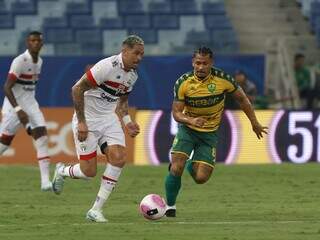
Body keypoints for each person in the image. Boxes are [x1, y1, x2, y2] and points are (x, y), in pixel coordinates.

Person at [164, 47, 268, 217]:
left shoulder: (223, 79)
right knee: (176, 167)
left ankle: (190, 163)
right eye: (198, 63)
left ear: (211, 63)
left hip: (209, 134)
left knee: (201, 178)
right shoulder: (183, 82)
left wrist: (254, 123)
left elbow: (242, 99)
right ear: (193, 63)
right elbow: (176, 113)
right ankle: (170, 207)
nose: (201, 67)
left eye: (205, 63)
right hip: (188, 130)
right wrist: (191, 120)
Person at [52, 35, 144, 223]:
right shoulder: (106, 66)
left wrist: (127, 122)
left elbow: (122, 102)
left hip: (109, 119)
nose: (139, 58)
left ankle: (96, 210)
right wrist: (82, 122)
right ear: (124, 51)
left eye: (142, 54)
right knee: (88, 172)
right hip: (88, 120)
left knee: (119, 158)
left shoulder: (133, 75)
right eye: (136, 53)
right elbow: (77, 89)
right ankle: (62, 171)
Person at [0, 31, 52, 191]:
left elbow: (29, 88)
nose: (36, 43)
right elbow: (7, 87)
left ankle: (45, 182)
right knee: (4, 142)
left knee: (42, 136)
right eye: (32, 40)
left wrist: (27, 108)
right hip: (13, 105)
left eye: (38, 40)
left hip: (31, 103)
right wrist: (17, 109)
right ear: (27, 43)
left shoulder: (40, 62)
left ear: (42, 44)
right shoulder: (20, 61)